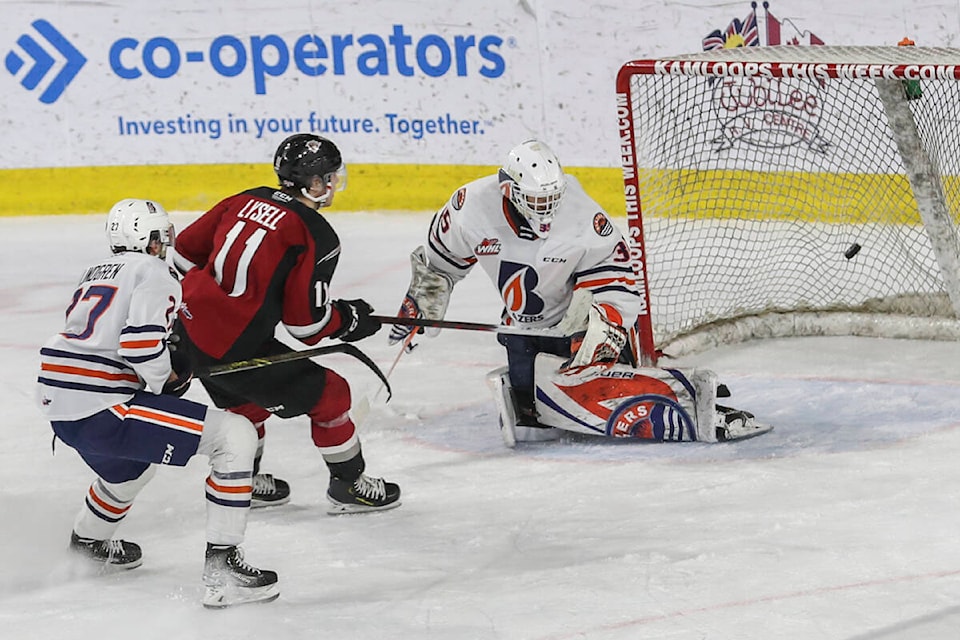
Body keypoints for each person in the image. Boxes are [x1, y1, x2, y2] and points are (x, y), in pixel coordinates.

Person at [388, 139, 771, 446]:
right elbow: (438, 266)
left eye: (552, 198)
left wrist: (603, 329)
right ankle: (589, 390)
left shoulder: (584, 214)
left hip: (579, 323)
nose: (547, 209)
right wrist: (422, 302)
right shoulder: (469, 207)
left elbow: (618, 281)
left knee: (589, 384)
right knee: (535, 422)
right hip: (524, 327)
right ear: (509, 190)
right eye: (537, 200)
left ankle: (673, 396)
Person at [37, 198, 279, 609]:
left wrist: (162, 369)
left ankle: (88, 544)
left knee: (130, 470)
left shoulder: (94, 271)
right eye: (160, 236)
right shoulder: (154, 271)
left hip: (61, 407)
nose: (164, 244)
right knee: (234, 435)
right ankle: (223, 572)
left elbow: (107, 342)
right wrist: (166, 380)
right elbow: (140, 345)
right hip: (102, 406)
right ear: (148, 239)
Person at [170, 133, 400, 514]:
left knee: (247, 405)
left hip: (185, 330)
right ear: (313, 183)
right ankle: (349, 486)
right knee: (332, 395)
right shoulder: (316, 234)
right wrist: (351, 319)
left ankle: (245, 483)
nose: (332, 183)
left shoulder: (247, 197)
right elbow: (305, 327)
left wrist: (215, 298)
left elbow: (181, 253)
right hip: (232, 344)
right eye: (328, 176)